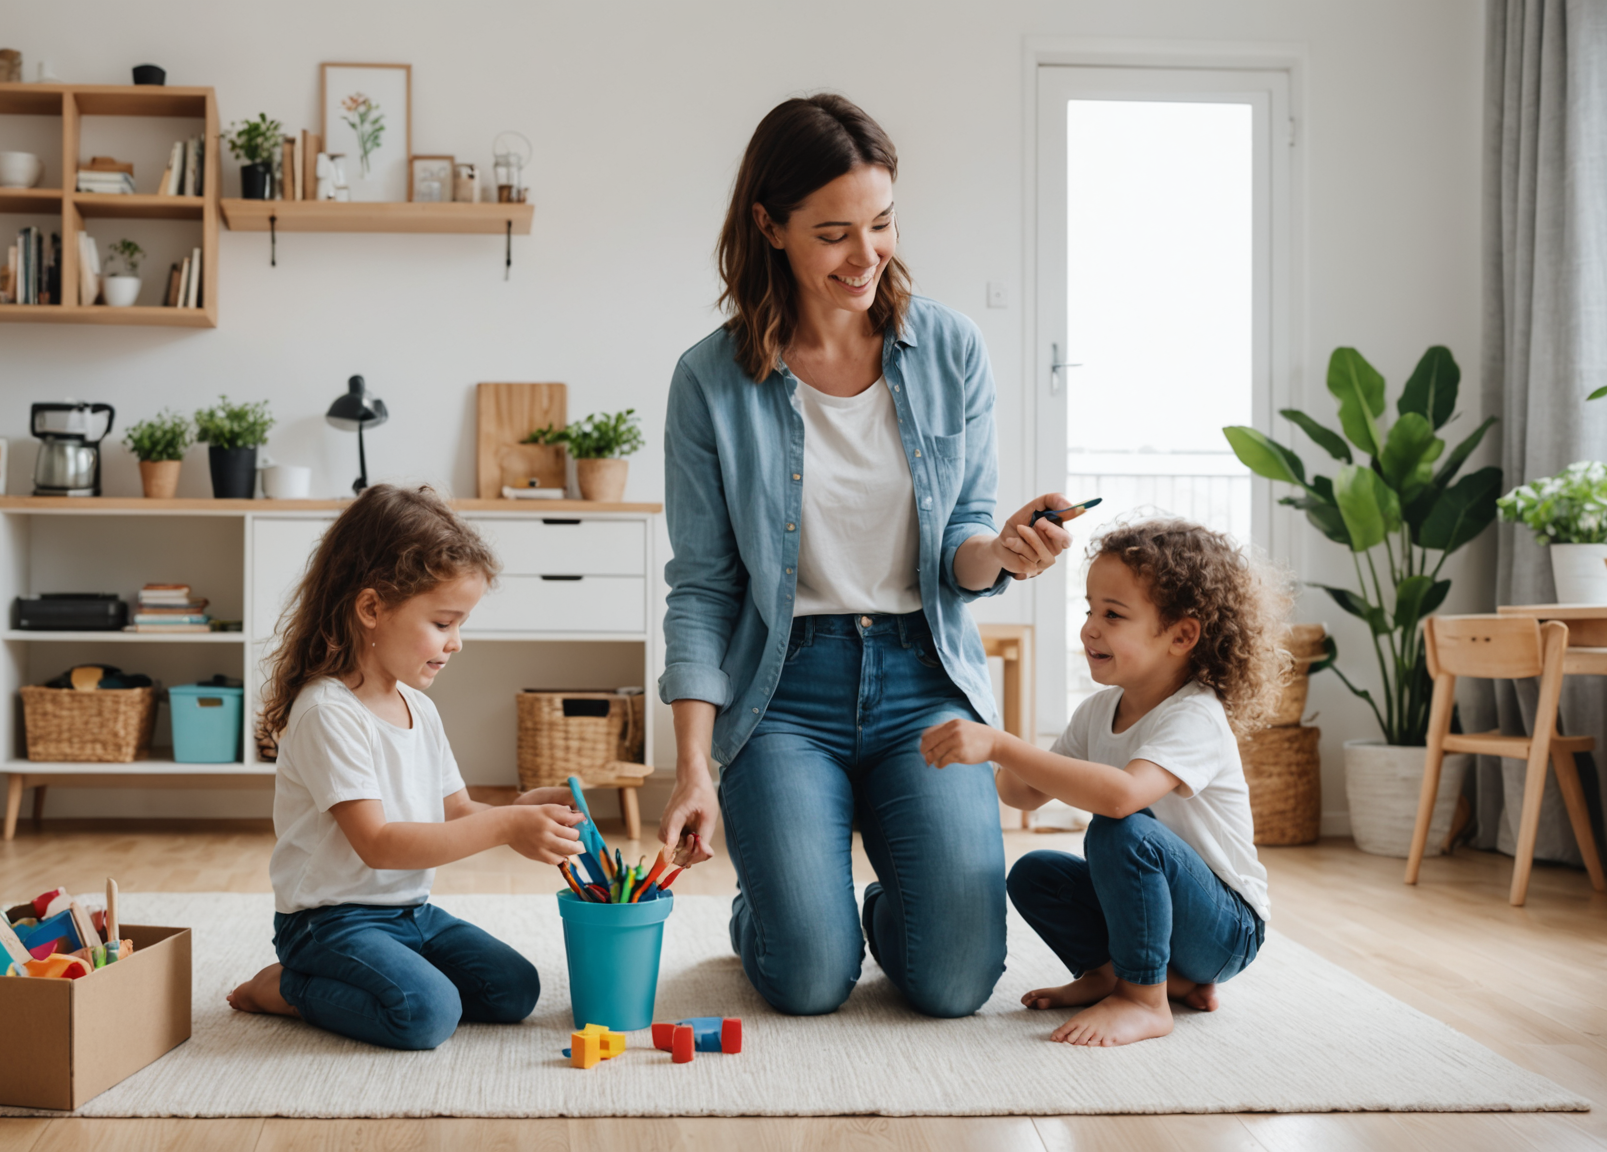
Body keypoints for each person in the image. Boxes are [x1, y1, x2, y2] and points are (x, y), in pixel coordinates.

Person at [656, 93, 1077, 1018]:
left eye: (881, 224)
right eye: (834, 232)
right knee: (806, 980)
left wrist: (1004, 550)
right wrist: (692, 768)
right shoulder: (710, 381)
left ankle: (883, 902)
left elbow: (961, 557)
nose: (865, 256)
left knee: (955, 982)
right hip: (783, 696)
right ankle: (781, 907)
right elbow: (702, 590)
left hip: (923, 685)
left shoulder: (950, 349)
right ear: (769, 226)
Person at [227, 484, 587, 1050]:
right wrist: (502, 828)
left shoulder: (418, 706)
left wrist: (521, 812)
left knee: (514, 990)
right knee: (425, 1014)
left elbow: (458, 811)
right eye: (444, 623)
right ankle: (288, 987)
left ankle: (384, 972)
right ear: (371, 609)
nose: (457, 642)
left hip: (409, 913)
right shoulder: (327, 712)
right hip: (327, 923)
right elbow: (379, 844)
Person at [921, 519, 1285, 1046]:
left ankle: (1144, 999)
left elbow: (1120, 797)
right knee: (1035, 873)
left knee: (1121, 831)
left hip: (1226, 929)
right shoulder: (1098, 712)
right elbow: (1021, 793)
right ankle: (1118, 976)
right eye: (1090, 609)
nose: (1091, 627)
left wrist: (1001, 744)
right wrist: (975, 749)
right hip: (1168, 914)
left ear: (1182, 635)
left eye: (1113, 615)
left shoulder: (1196, 715)